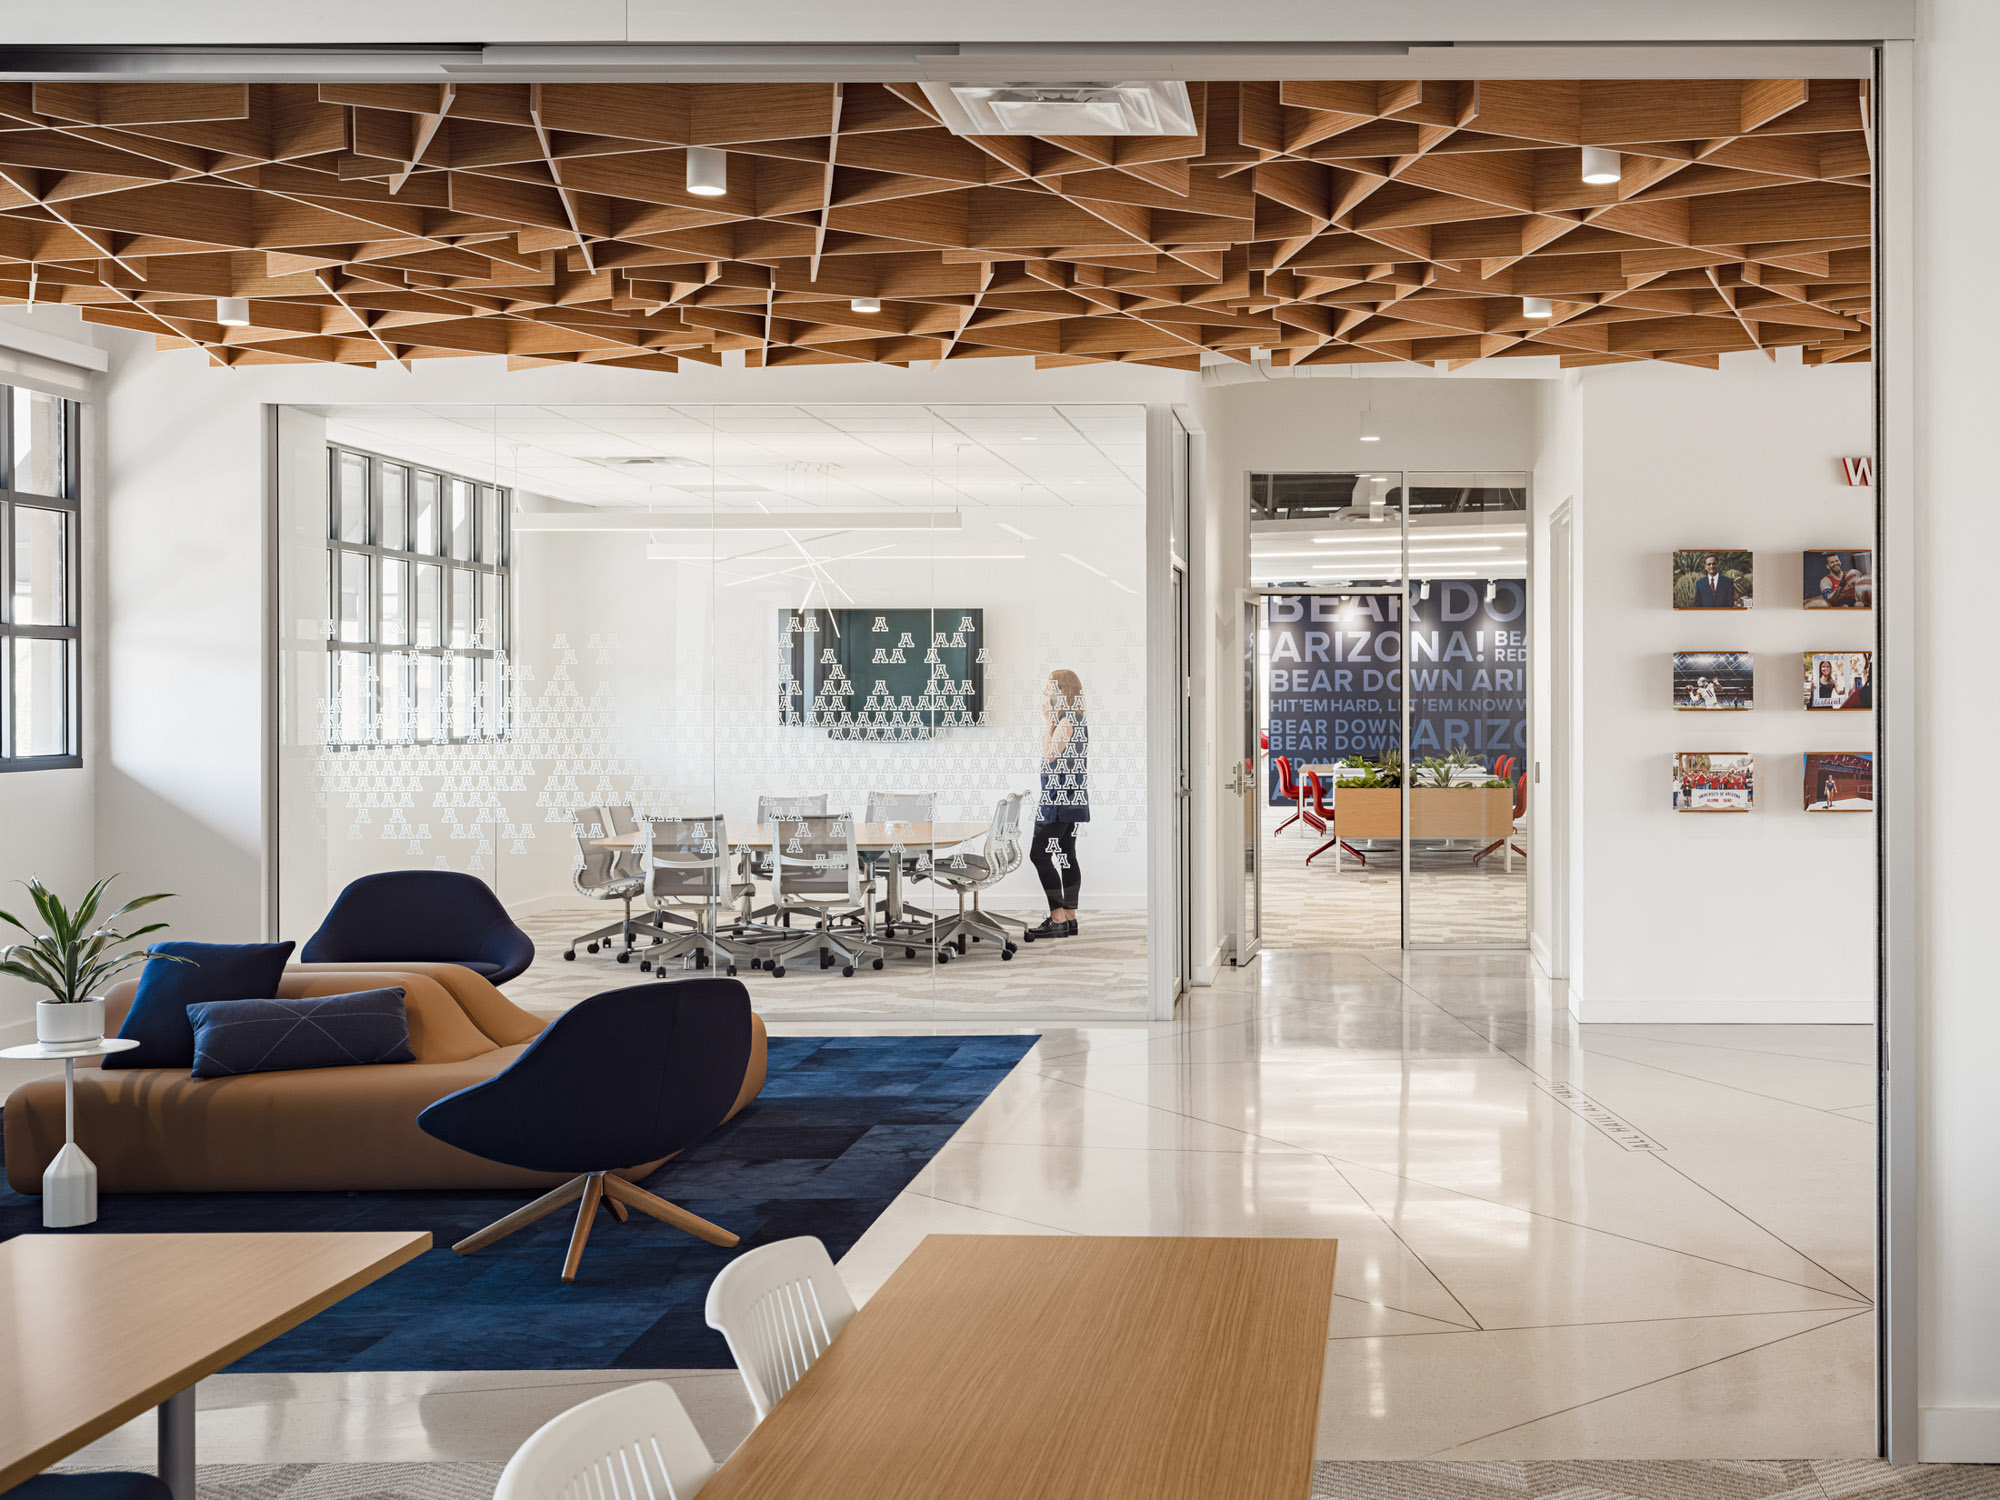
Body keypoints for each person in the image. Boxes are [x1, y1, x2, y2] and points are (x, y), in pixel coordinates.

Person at [1027, 668, 1089, 940]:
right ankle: (1070, 917)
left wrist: (1047, 721)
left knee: (1039, 854)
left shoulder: (1066, 721)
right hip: (1071, 799)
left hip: (1058, 801)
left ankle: (1057, 918)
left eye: (1049, 688)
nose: (1045, 692)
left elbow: (1050, 755)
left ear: (1062, 691)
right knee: (1066, 854)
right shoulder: (1076, 718)